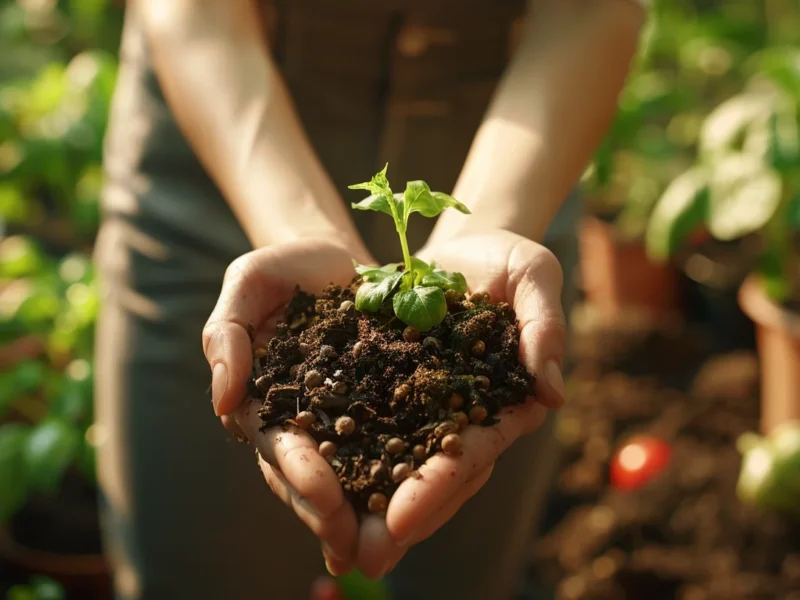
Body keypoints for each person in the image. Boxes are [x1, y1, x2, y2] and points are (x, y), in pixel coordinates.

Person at [94, 1, 646, 598]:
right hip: (222, 123)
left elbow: (593, 11)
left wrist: (485, 227)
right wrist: (299, 235)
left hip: (521, 146)